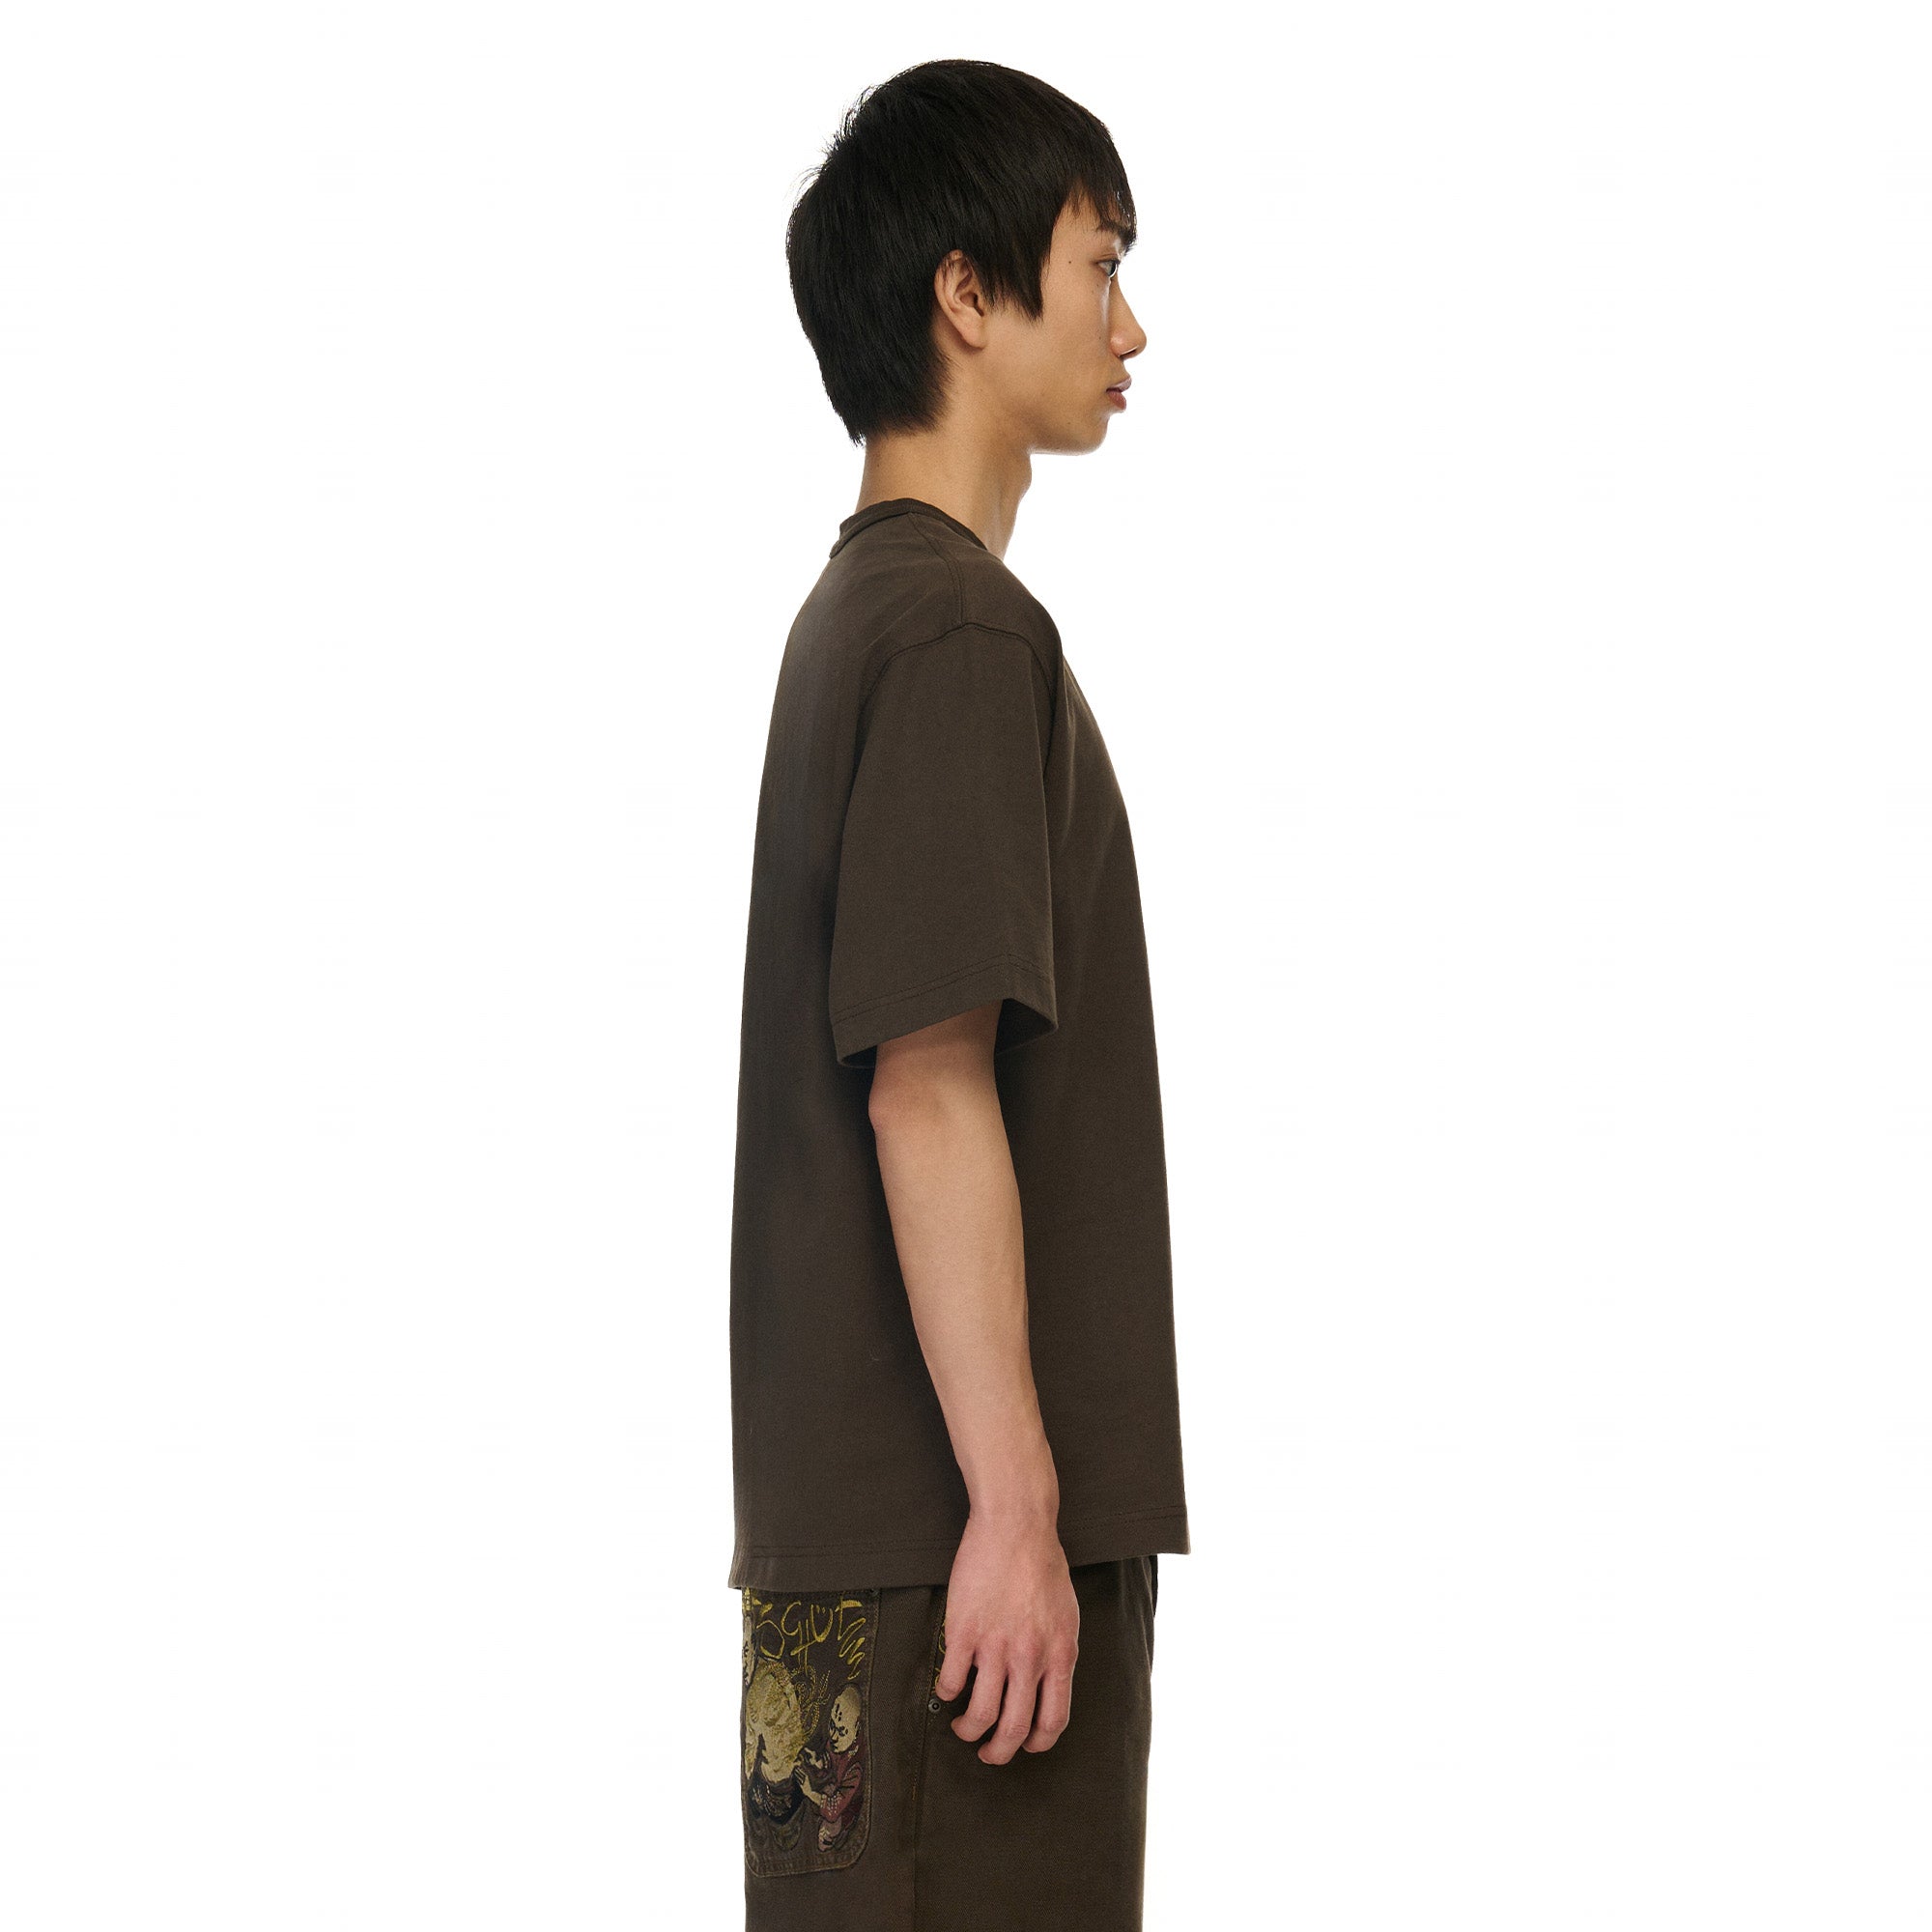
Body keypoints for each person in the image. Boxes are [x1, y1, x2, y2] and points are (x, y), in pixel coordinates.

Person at [727, 57, 1190, 1931]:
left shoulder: (861, 617)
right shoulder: (951, 628)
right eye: (1101, 263)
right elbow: (925, 1083)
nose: (1129, 325)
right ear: (967, 292)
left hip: (862, 1573)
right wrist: (1015, 1506)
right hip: (957, 1578)